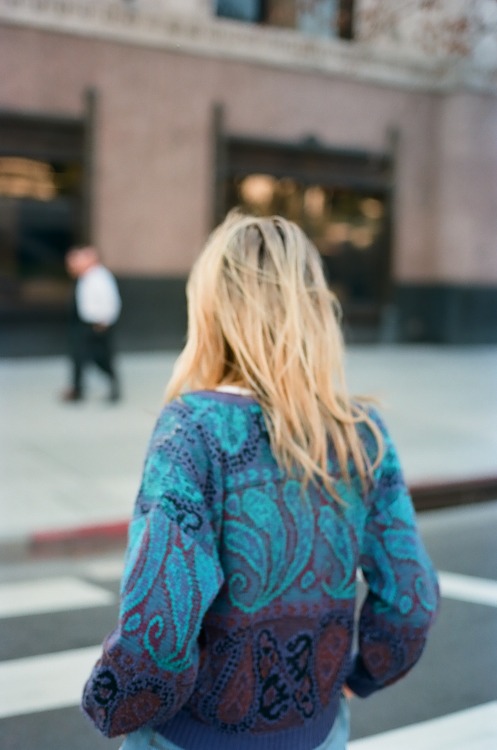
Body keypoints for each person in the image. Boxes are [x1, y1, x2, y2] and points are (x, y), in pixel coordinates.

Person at [82, 211, 440, 749]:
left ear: (211, 309)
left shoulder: (194, 428)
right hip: (317, 733)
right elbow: (411, 601)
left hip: (193, 737)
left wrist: (113, 705)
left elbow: (159, 618)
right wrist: (359, 679)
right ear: (314, 307)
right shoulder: (363, 435)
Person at [61, 245, 121, 402]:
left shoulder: (100, 277)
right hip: (83, 323)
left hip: (97, 324)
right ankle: (77, 389)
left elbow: (111, 302)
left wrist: (104, 322)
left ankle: (114, 388)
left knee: (101, 357)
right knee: (78, 356)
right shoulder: (84, 277)